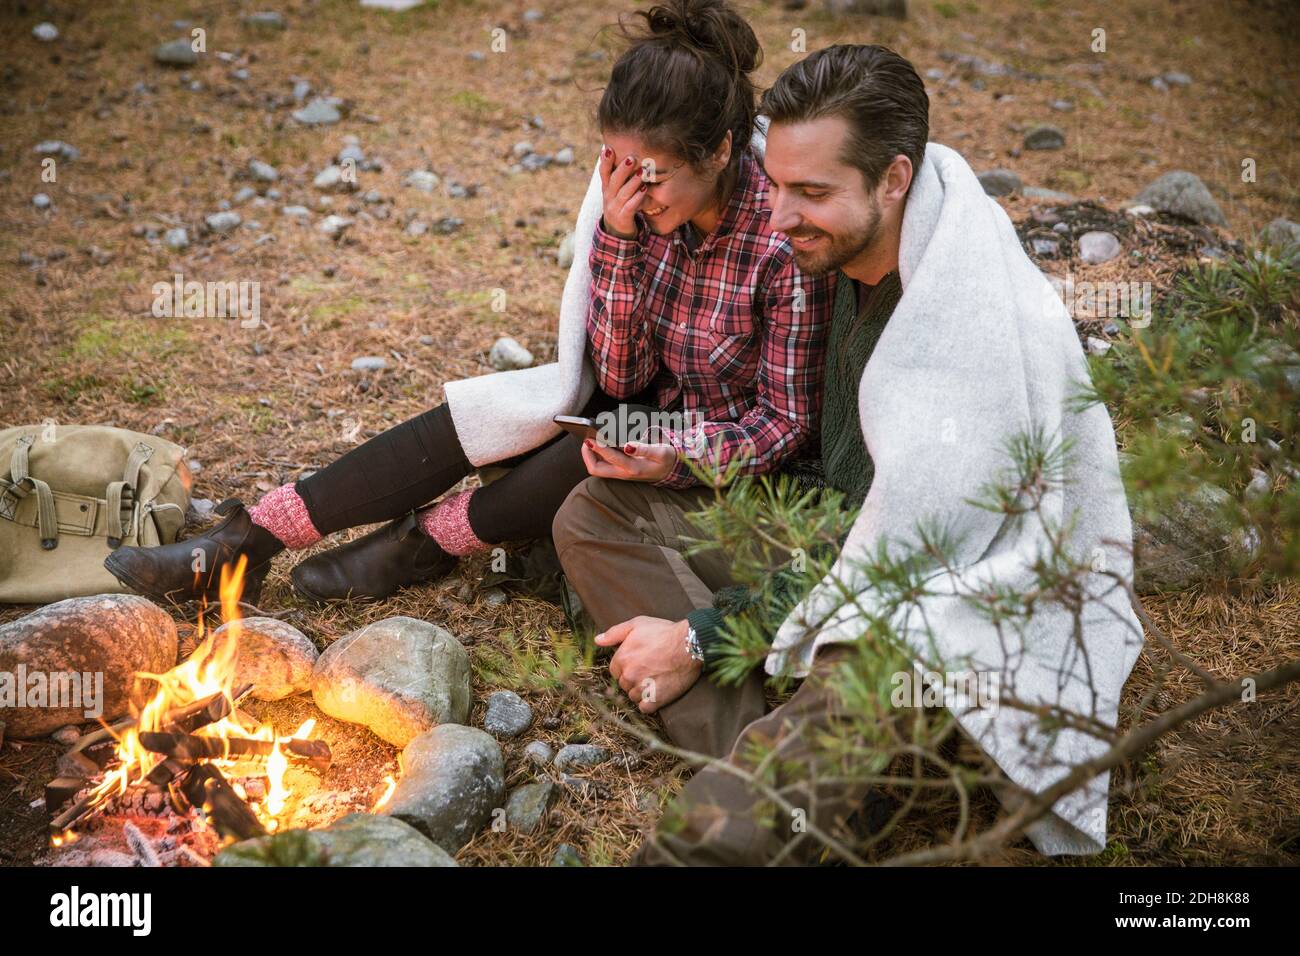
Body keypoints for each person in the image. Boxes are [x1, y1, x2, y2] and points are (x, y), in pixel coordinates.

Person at [553, 43, 1142, 865]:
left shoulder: (956, 314)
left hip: (943, 599)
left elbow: (901, 557)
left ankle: (777, 795)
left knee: (716, 833)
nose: (778, 212)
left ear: (894, 179)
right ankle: (803, 782)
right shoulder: (829, 250)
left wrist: (697, 635)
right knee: (594, 511)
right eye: (780, 183)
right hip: (829, 533)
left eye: (812, 192)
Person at [104, 0, 834, 608]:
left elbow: (786, 426)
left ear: (720, 152)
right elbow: (617, 369)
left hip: (726, 451)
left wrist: (673, 457)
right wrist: (615, 236)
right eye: (616, 170)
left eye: (654, 177)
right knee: (484, 418)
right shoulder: (638, 207)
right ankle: (246, 543)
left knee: (596, 444)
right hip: (647, 403)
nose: (631, 194)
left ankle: (422, 542)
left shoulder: (782, 241)